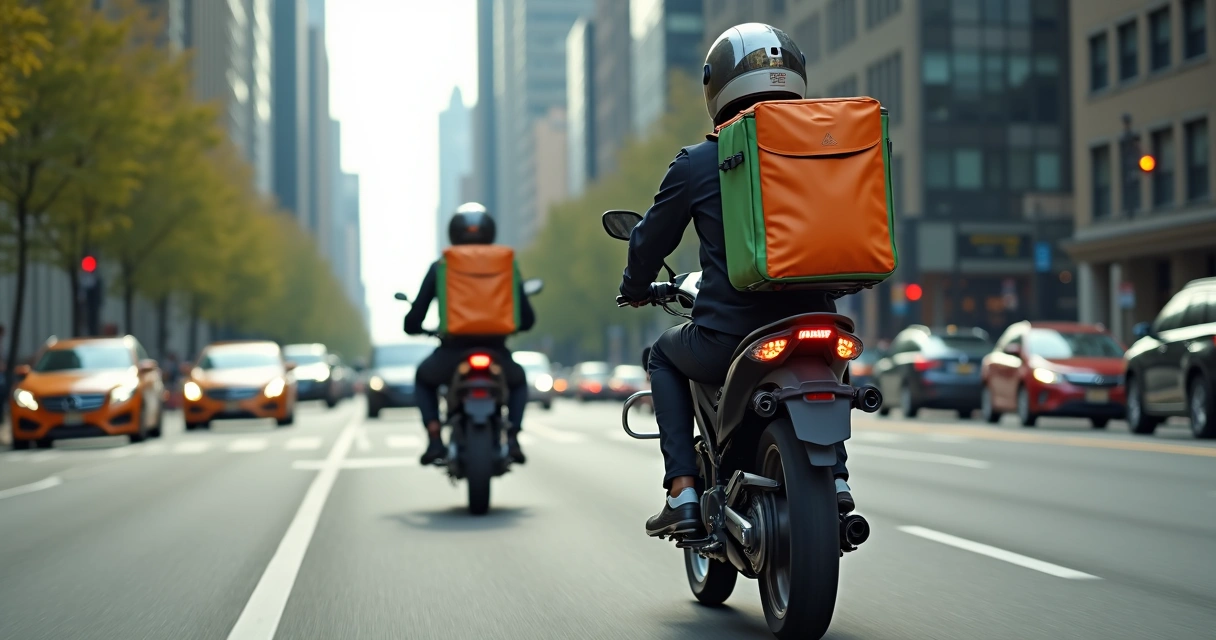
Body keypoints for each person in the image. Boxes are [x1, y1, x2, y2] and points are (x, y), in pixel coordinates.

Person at [618, 23, 857, 537]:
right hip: (818, 321)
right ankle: (835, 477)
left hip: (730, 338)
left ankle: (683, 490)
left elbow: (649, 241)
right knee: (831, 359)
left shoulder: (700, 161)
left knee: (662, 353)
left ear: (716, 86)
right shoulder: (829, 151)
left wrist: (636, 286)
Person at [404, 203, 535, 466]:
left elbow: (415, 317)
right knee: (518, 381)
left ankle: (434, 437)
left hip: (452, 351)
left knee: (423, 378)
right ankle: (512, 437)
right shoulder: (507, 264)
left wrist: (415, 326)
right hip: (496, 350)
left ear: (453, 232)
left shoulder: (442, 265)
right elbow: (528, 318)